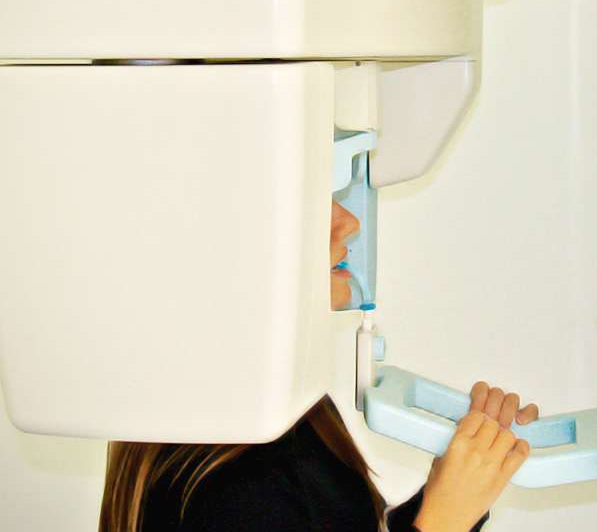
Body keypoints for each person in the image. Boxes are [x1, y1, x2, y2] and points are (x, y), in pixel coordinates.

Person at [99, 202, 538, 532]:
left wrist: (455, 488)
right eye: (307, 199)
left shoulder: (274, 420)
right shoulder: (239, 486)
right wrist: (444, 520)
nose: (348, 222)